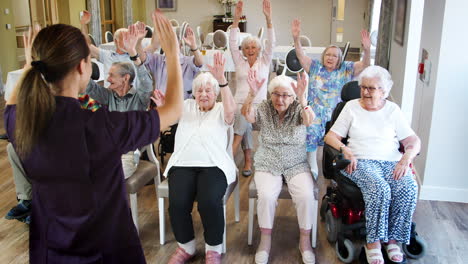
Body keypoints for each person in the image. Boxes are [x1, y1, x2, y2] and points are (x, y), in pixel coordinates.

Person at [5, 9, 183, 263]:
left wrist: (28, 65)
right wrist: (173, 53)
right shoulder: (102, 126)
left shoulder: (22, 122)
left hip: (50, 252)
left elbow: (10, 102)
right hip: (106, 251)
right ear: (81, 66)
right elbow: (174, 109)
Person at [324, 66, 421, 264]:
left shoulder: (393, 110)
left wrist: (407, 157)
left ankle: (393, 240)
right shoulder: (350, 107)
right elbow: (330, 136)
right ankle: (373, 243)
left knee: (409, 187)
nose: (366, 92)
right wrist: (345, 150)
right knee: (380, 189)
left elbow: (413, 140)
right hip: (359, 161)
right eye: (363, 87)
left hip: (391, 161)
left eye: (372, 88)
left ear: (384, 91)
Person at [162, 52, 236, 264]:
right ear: (194, 93)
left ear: (215, 93)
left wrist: (222, 81)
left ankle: (213, 249)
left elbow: (231, 114)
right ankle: (186, 247)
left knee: (209, 202)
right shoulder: (186, 106)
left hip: (214, 166)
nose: (204, 94)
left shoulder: (223, 108)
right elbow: (167, 115)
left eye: (208, 90)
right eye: (199, 90)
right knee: (177, 203)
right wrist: (162, 106)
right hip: (183, 164)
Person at [242, 70, 316, 264]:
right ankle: (265, 241)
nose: (280, 99)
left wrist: (302, 98)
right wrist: (251, 94)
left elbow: (309, 121)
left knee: (306, 196)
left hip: (295, 162)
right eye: (276, 94)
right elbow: (247, 116)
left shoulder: (299, 107)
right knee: (266, 196)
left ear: (292, 97)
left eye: (285, 95)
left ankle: (305, 241)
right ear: (270, 94)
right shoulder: (265, 107)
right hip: (268, 160)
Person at [291, 19, 371, 180]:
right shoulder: (315, 67)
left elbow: (365, 64)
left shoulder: (346, 69)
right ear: (323, 56)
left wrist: (367, 50)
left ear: (339, 59)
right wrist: (296, 38)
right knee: (311, 130)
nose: (330, 58)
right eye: (327, 54)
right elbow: (300, 55)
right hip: (315, 112)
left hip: (337, 114)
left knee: (337, 138)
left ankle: (335, 169)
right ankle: (312, 165)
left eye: (334, 56)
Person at [85, 24, 153, 179]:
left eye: (111, 76)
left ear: (126, 78)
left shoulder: (139, 98)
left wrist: (134, 55)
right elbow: (90, 88)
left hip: (127, 153)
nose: (107, 80)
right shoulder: (109, 96)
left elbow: (147, 83)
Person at [230, 0, 275, 176]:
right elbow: (232, 42)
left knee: (245, 115)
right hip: (238, 104)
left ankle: (232, 153)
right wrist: (235, 20)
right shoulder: (239, 62)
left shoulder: (264, 61)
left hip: (260, 106)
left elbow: (272, 42)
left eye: (253, 47)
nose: (250, 50)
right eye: (247, 47)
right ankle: (248, 160)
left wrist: (268, 19)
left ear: (259, 49)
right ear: (243, 50)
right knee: (244, 117)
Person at [140, 15, 203, 100]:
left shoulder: (187, 61)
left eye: (172, 42)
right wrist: (153, 45)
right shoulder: (158, 60)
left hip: (182, 107)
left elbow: (200, 62)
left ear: (180, 45)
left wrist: (194, 46)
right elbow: (140, 57)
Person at [80, 10, 146, 88]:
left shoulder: (135, 56)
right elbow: (86, 45)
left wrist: (139, 40)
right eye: (125, 38)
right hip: (111, 97)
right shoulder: (106, 55)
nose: (128, 41)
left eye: (129, 38)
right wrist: (83, 24)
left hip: (131, 97)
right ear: (115, 41)